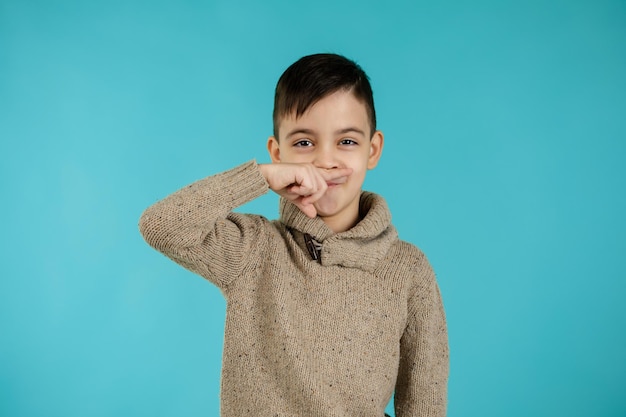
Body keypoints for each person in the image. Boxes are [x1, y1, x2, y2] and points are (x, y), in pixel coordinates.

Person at [139, 53, 449, 417]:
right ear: (277, 152)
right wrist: (261, 178)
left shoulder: (408, 269)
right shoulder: (252, 248)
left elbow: (424, 402)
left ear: (373, 149)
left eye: (347, 141)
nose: (325, 160)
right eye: (304, 143)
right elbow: (162, 226)